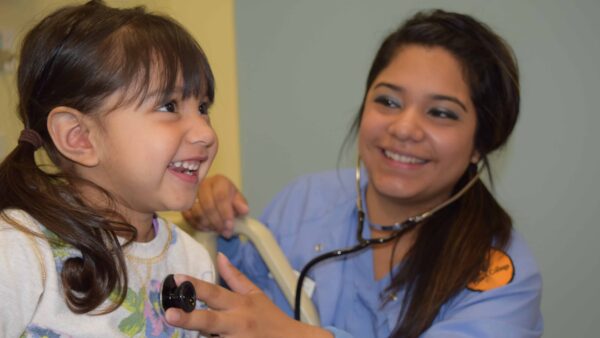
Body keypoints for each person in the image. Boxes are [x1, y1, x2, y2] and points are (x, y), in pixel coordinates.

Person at [171, 8, 544, 338]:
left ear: (482, 142)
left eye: (441, 113)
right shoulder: (302, 203)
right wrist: (213, 219)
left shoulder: (501, 277)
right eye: (388, 101)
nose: (404, 128)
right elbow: (218, 303)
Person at [0, 1, 219, 337]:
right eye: (169, 106)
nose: (206, 133)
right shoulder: (21, 252)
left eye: (203, 107)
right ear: (80, 137)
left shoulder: (192, 261)